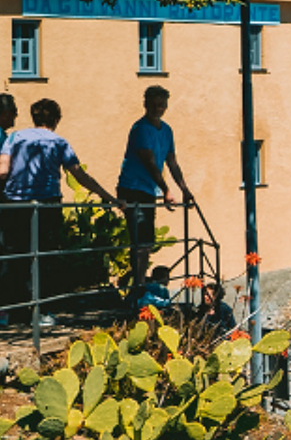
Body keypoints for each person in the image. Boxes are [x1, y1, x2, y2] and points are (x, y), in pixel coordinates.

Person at [1, 99, 120, 303]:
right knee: (44, 256)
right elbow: (80, 175)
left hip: (16, 204)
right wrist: (108, 197)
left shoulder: (13, 138)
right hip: (47, 204)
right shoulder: (59, 142)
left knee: (16, 256)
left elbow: (2, 171)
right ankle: (41, 309)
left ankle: (11, 308)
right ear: (56, 119)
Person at [116, 86, 191, 291]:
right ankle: (138, 286)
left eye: (162, 105)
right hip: (132, 187)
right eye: (155, 105)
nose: (159, 109)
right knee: (140, 238)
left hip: (148, 189)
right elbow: (149, 161)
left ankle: (139, 282)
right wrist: (166, 190)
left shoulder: (166, 130)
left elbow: (171, 162)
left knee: (146, 240)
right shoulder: (140, 129)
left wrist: (184, 189)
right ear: (146, 104)